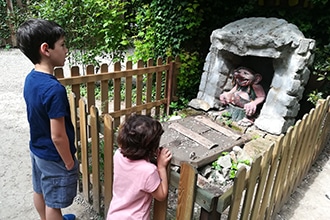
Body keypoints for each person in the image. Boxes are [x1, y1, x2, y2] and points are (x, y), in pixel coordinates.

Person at [16, 18, 78, 220]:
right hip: (54, 156)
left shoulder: (31, 78)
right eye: (62, 45)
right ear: (46, 49)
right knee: (54, 204)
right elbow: (58, 136)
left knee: (40, 190)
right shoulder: (54, 89)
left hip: (37, 150)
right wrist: (69, 162)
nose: (66, 50)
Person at [107, 114, 172, 220]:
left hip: (114, 215)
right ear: (151, 148)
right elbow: (161, 195)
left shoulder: (118, 155)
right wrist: (161, 167)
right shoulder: (148, 171)